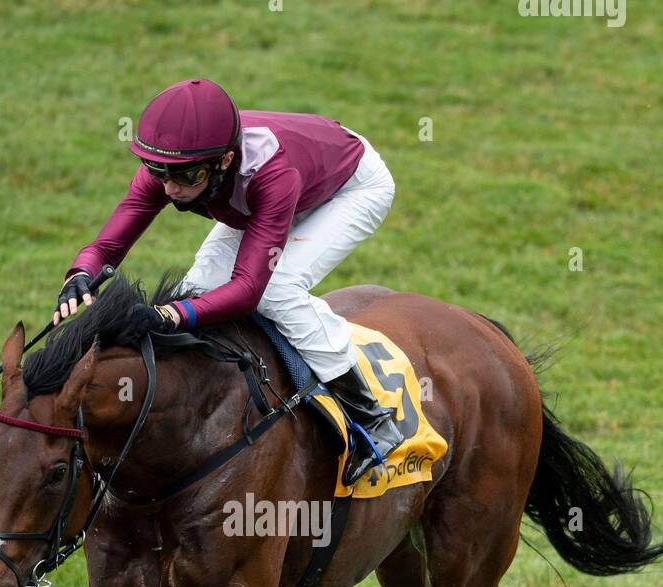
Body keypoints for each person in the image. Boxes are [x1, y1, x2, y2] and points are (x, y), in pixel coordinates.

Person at [54, 78, 403, 485]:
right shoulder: (177, 164)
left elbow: (248, 289)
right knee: (198, 289)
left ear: (222, 162)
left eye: (184, 178)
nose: (168, 188)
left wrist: (167, 316)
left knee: (277, 290)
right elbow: (109, 243)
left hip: (349, 187)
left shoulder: (271, 173)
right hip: (268, 189)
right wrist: (81, 274)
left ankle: (372, 416)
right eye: (159, 173)